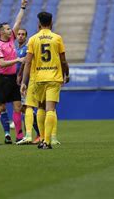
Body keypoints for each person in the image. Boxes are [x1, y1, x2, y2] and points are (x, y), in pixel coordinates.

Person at [21, 11, 69, 149]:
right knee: (50, 109)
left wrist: (24, 82)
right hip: (54, 77)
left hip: (39, 79)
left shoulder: (33, 39)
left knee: (40, 107)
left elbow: (28, 62)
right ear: (51, 23)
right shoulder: (57, 38)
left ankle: (42, 138)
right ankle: (47, 141)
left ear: (39, 24)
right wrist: (67, 73)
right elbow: (63, 60)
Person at [0, 0, 28, 145]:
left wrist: (22, 8)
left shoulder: (11, 39)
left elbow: (17, 22)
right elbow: (1, 63)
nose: (10, 29)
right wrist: (17, 60)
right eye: (6, 28)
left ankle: (19, 136)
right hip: (3, 79)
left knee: (18, 106)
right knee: (0, 107)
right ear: (1, 32)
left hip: (12, 79)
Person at [16, 28, 42, 145]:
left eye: (23, 34)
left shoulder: (27, 48)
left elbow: (25, 63)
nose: (20, 36)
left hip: (25, 80)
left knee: (27, 107)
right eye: (19, 34)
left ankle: (37, 133)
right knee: (23, 108)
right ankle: (35, 132)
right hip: (18, 81)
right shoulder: (17, 49)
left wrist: (21, 76)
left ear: (26, 37)